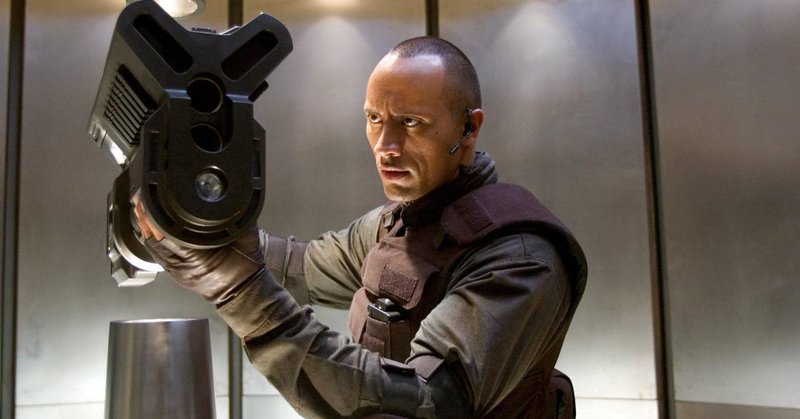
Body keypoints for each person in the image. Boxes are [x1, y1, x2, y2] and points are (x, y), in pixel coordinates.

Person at [134, 36, 587, 418]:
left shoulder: (519, 257)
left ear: (469, 129)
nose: (386, 145)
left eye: (411, 122)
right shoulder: (398, 224)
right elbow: (297, 267)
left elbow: (425, 404)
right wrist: (193, 226)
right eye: (374, 119)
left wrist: (242, 292)